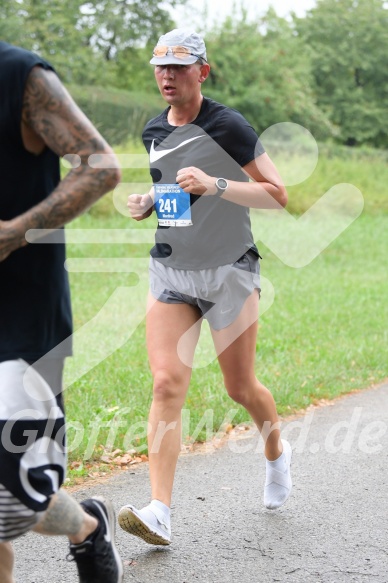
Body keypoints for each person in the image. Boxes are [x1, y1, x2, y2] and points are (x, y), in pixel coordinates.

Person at [118, 28, 292, 546]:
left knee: (240, 388)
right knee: (166, 382)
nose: (166, 76)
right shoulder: (153, 129)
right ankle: (160, 512)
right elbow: (175, 190)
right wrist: (153, 199)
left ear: (202, 71)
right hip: (172, 270)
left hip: (229, 270)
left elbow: (277, 194)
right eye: (160, 67)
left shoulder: (228, 126)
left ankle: (277, 455)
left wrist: (217, 184)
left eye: (178, 67)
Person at [0, 42, 123, 582]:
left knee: (13, 500)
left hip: (20, 316)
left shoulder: (20, 77)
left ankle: (86, 529)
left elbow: (100, 165)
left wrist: (14, 232)